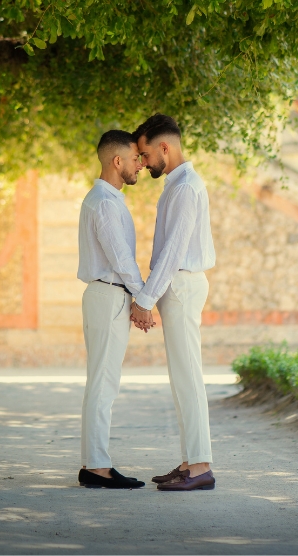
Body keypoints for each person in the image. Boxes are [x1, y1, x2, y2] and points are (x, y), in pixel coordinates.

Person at [129, 114, 217, 491]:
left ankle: (199, 468)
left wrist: (145, 298)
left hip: (181, 285)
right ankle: (189, 462)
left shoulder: (185, 189)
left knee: (188, 378)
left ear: (165, 147)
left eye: (146, 154)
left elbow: (172, 252)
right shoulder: (177, 185)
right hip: (177, 286)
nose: (143, 162)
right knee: (182, 378)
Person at [76, 130, 151, 489]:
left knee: (103, 382)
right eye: (135, 157)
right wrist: (144, 301)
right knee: (103, 383)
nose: (141, 163)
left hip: (108, 296)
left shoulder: (108, 199)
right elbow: (121, 259)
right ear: (117, 161)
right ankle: (97, 467)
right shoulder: (105, 202)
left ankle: (96, 463)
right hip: (109, 296)